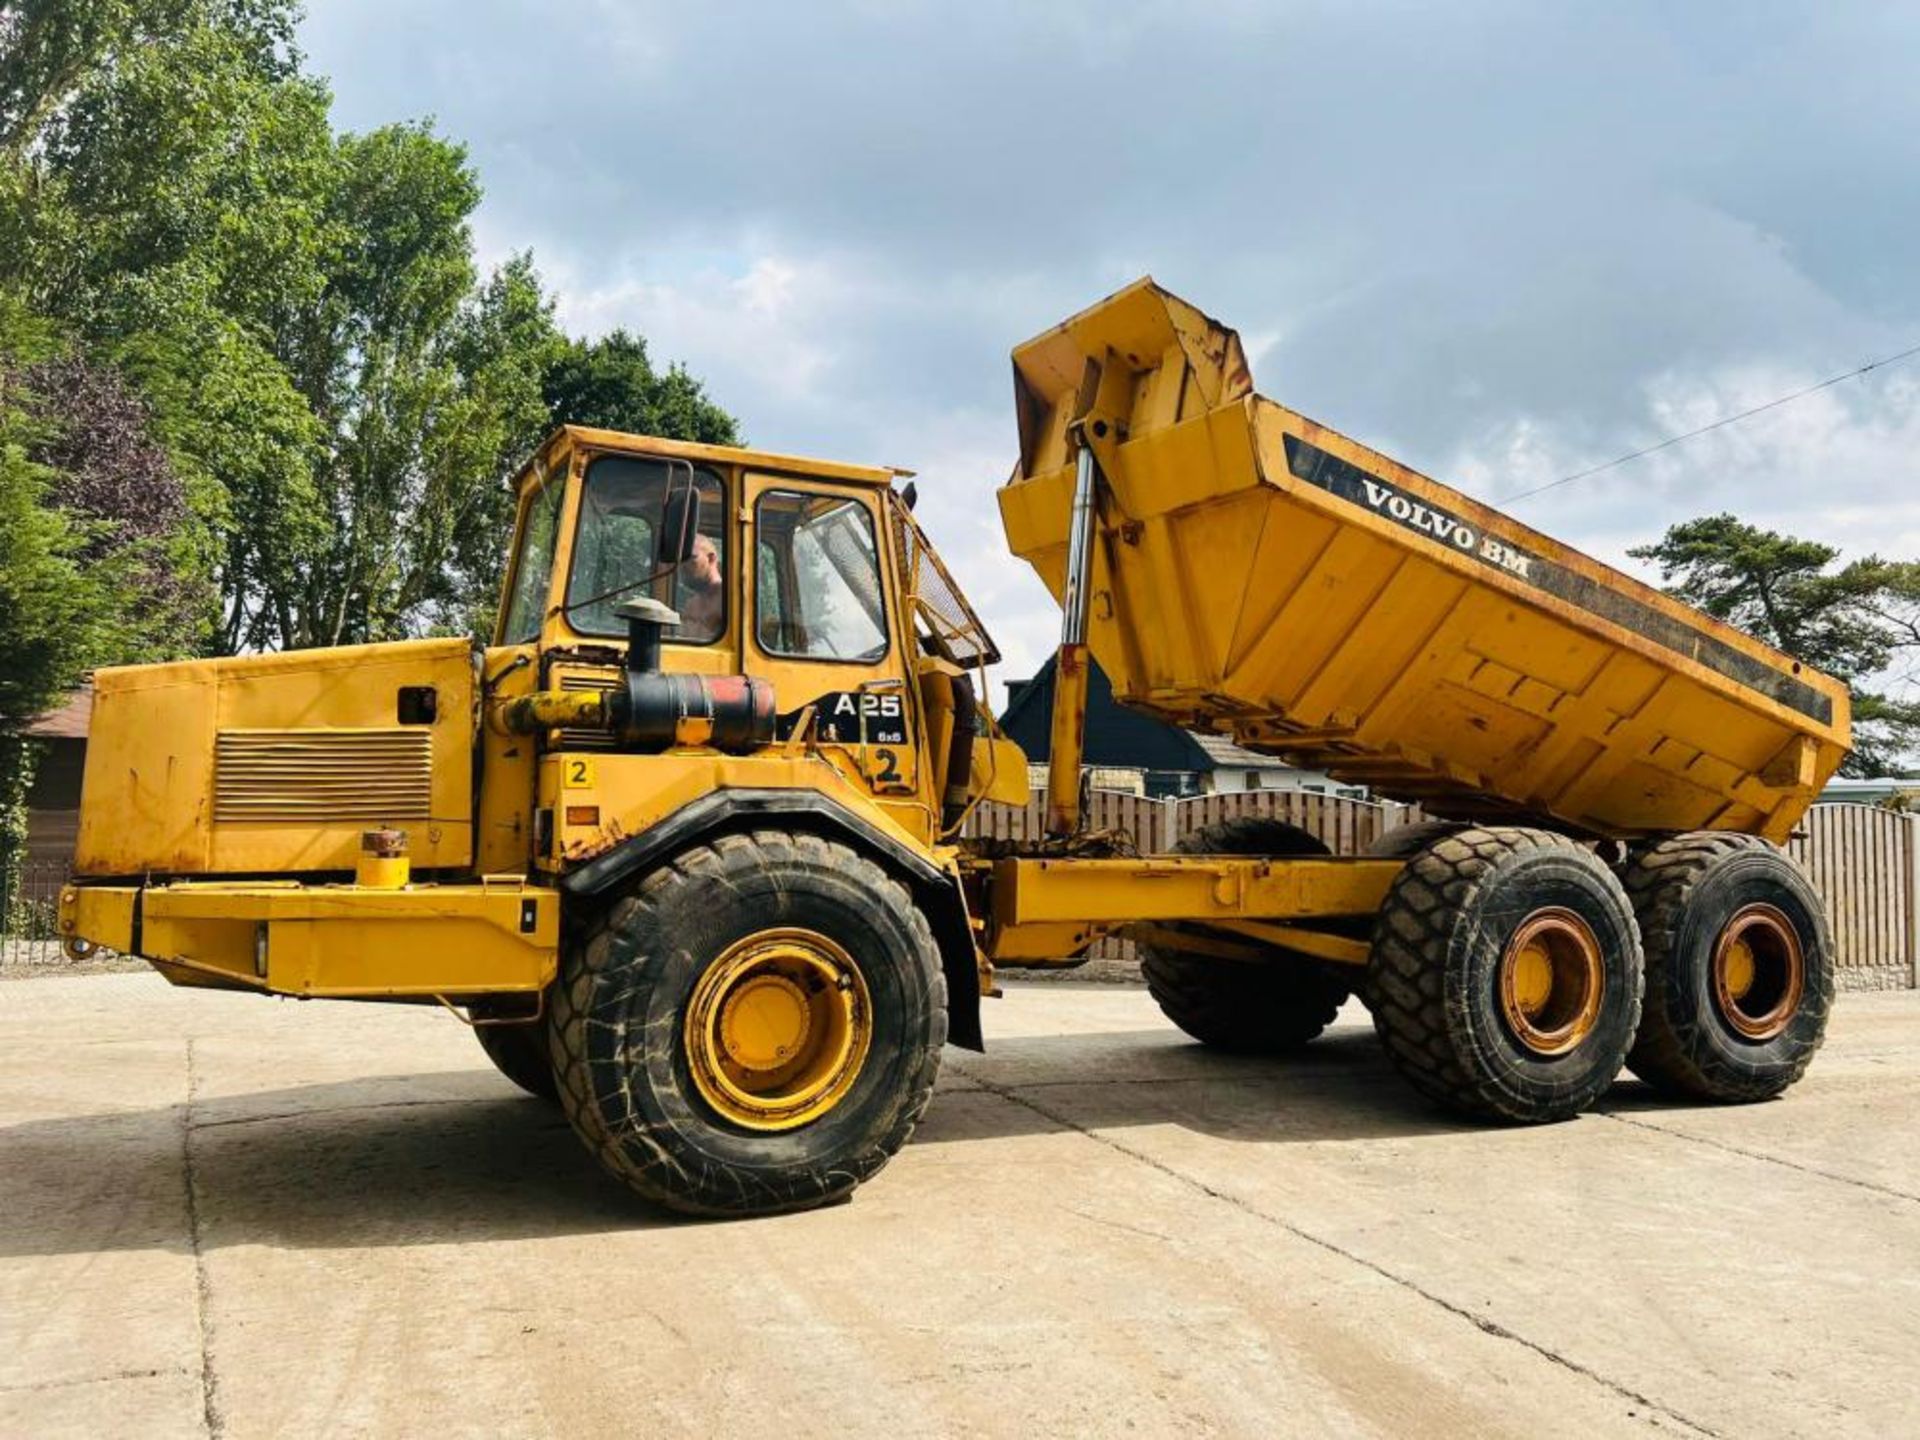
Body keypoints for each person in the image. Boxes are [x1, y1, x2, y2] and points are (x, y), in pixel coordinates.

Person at [675, 531, 724, 640]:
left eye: (691, 558)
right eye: (681, 559)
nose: (684, 565)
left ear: (711, 558)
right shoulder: (691, 604)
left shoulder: (730, 601)